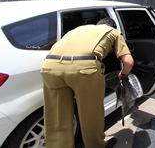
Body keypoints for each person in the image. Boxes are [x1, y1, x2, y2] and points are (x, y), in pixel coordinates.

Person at [40, 18, 134, 148]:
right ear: (112, 26)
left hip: (50, 67)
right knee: (91, 113)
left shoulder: (77, 29)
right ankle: (96, 145)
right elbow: (128, 62)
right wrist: (123, 74)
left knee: (56, 115)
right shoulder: (113, 32)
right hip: (84, 70)